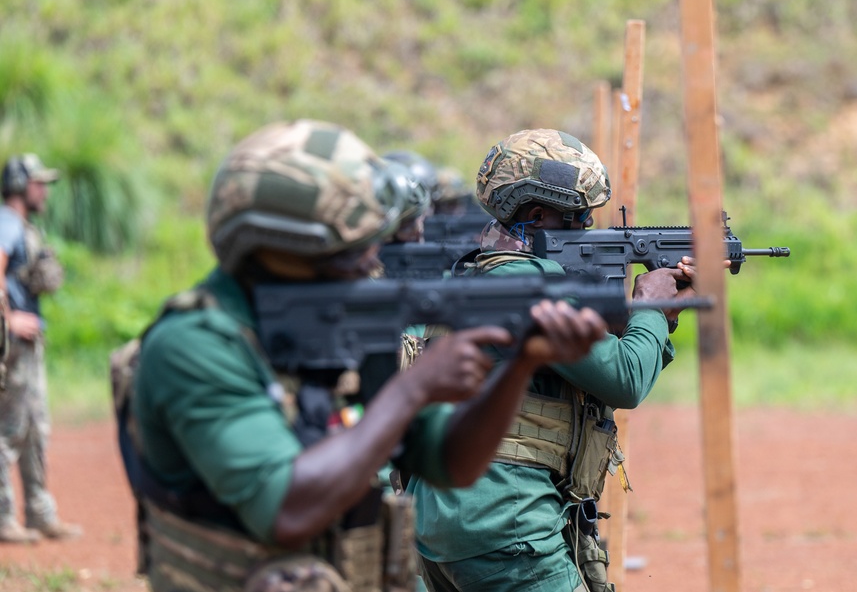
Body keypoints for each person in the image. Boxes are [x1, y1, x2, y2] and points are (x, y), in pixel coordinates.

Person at [127, 120, 608, 591]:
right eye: (348, 250)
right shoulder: (195, 345)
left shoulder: (330, 334)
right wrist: (414, 388)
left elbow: (452, 464)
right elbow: (287, 511)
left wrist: (520, 365)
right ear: (275, 252)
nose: (371, 263)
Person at [409, 128, 704, 592]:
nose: (587, 227)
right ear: (538, 214)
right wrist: (650, 307)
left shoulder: (477, 271)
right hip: (505, 520)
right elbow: (624, 379)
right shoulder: (530, 287)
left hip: (449, 518)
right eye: (578, 217)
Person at [0, 154, 81, 543]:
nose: (44, 190)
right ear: (20, 184)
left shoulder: (22, 226)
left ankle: (39, 511)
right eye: (38, 182)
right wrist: (8, 318)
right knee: (10, 430)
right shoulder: (6, 222)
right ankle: (3, 517)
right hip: (12, 343)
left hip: (27, 345)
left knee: (36, 428)